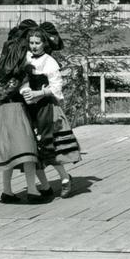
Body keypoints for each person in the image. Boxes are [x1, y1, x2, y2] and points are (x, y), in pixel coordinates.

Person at [0, 20, 52, 204]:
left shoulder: (0, 73)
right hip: (17, 111)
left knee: (10, 154)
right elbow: (27, 94)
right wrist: (41, 92)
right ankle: (32, 191)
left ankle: (7, 191)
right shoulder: (22, 73)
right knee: (27, 152)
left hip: (1, 112)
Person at [22, 23, 82, 198]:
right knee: (33, 149)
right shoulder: (26, 57)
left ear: (44, 44)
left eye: (37, 43)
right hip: (29, 107)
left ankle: (64, 178)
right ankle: (45, 185)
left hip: (46, 108)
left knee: (49, 146)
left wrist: (38, 93)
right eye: (31, 42)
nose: (34, 46)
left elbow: (56, 88)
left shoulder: (49, 62)